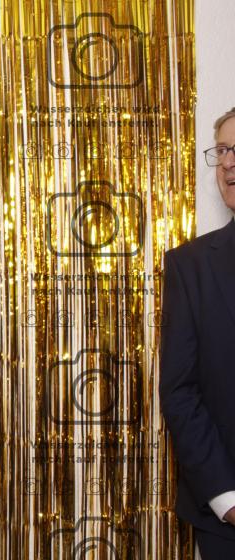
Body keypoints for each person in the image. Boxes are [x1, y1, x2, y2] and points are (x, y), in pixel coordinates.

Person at [160, 107, 235, 560]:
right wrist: (227, 500)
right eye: (222, 150)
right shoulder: (190, 267)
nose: (228, 163)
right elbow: (180, 391)